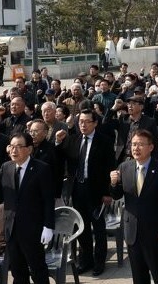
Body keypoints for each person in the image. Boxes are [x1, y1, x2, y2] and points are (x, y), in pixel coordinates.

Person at [55, 109, 116, 276]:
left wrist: (108, 192)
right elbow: (59, 158)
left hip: (97, 190)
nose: (82, 124)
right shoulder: (72, 140)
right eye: (80, 121)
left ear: (95, 123)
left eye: (87, 121)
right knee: (82, 228)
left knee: (98, 227)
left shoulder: (104, 141)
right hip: (77, 189)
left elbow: (110, 167)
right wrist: (58, 143)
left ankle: (99, 262)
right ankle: (85, 260)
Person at [109, 130, 158, 284]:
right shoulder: (125, 167)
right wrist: (113, 183)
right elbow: (117, 195)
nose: (136, 148)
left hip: (156, 233)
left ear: (151, 147)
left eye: (140, 144)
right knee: (139, 277)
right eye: (134, 144)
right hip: (132, 232)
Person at [0, 133, 56, 284]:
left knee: (37, 269)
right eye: (11, 147)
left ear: (29, 149)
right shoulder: (6, 167)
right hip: (12, 228)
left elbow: (48, 200)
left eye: (19, 147)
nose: (14, 151)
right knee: (17, 270)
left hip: (33, 229)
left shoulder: (41, 169)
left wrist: (48, 226)